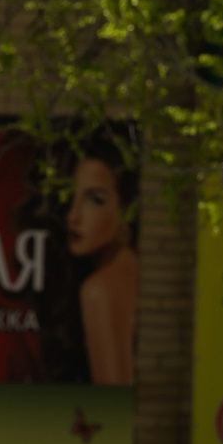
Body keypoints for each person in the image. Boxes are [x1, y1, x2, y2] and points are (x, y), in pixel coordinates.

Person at [64, 154, 139, 385]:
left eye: (94, 200)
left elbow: (113, 400)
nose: (73, 217)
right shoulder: (135, 266)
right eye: (70, 198)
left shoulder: (100, 289)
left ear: (125, 208)